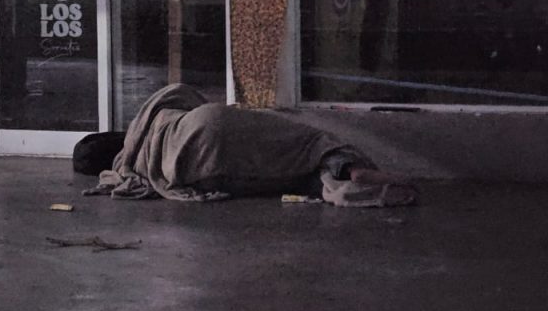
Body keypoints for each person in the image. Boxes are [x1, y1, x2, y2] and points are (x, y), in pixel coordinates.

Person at [83, 84, 417, 207]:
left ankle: (340, 182)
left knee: (291, 177)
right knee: (305, 142)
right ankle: (348, 166)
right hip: (205, 120)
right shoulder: (148, 121)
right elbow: (180, 92)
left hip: (192, 168)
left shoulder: (129, 166)